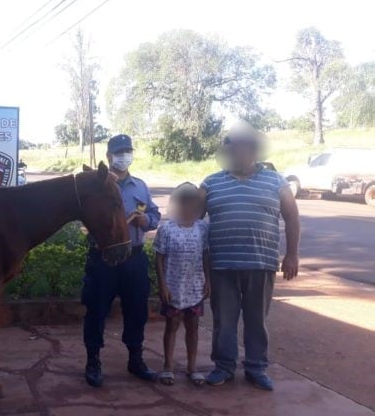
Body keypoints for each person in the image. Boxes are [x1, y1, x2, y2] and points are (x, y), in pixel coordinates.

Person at [201, 124, 300, 391]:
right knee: (224, 322)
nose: (239, 152)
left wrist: (291, 255)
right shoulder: (211, 183)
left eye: (245, 147)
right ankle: (224, 367)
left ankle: (256, 368)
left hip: (261, 264)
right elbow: (193, 221)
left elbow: (292, 216)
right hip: (222, 266)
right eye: (234, 148)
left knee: (257, 321)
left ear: (254, 150)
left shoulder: (276, 181)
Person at [83, 134, 161, 387]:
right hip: (103, 259)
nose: (124, 156)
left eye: (128, 151)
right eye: (119, 152)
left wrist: (146, 221)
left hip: (133, 258)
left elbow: (154, 213)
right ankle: (93, 361)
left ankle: (135, 359)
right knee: (96, 311)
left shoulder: (140, 186)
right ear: (108, 157)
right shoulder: (95, 186)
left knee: (137, 310)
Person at [154, 182, 210, 387]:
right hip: (173, 287)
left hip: (194, 287)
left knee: (193, 327)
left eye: (192, 205)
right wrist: (163, 285)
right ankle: (168, 366)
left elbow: (205, 255)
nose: (187, 209)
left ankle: (192, 367)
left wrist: (208, 280)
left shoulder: (202, 228)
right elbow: (159, 258)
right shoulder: (167, 229)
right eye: (183, 204)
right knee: (172, 325)